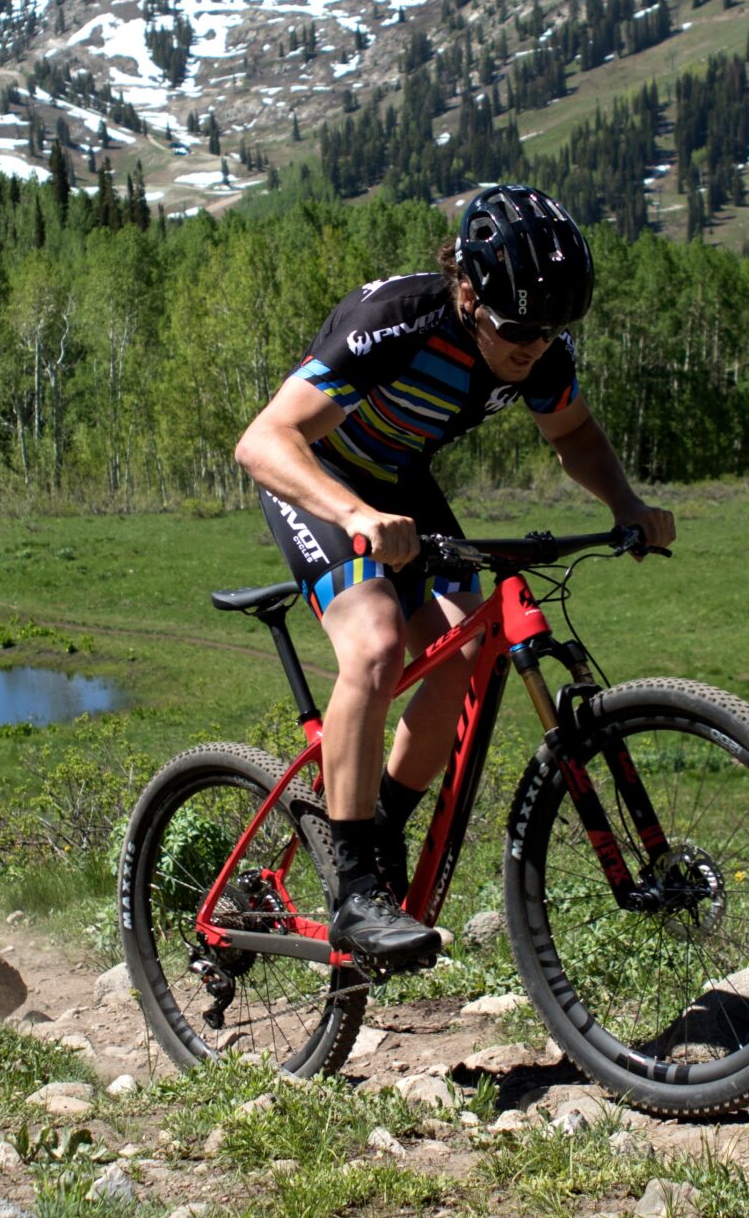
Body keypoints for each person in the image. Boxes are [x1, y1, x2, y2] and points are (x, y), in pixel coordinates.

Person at [233, 185, 676, 964]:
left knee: (464, 656)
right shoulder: (399, 325)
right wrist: (356, 515)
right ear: (469, 292)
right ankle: (353, 888)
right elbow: (264, 441)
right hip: (317, 474)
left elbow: (573, 434)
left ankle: (378, 836)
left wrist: (627, 502)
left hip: (399, 482)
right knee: (374, 647)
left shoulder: (534, 347)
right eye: (518, 330)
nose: (534, 346)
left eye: (552, 332)